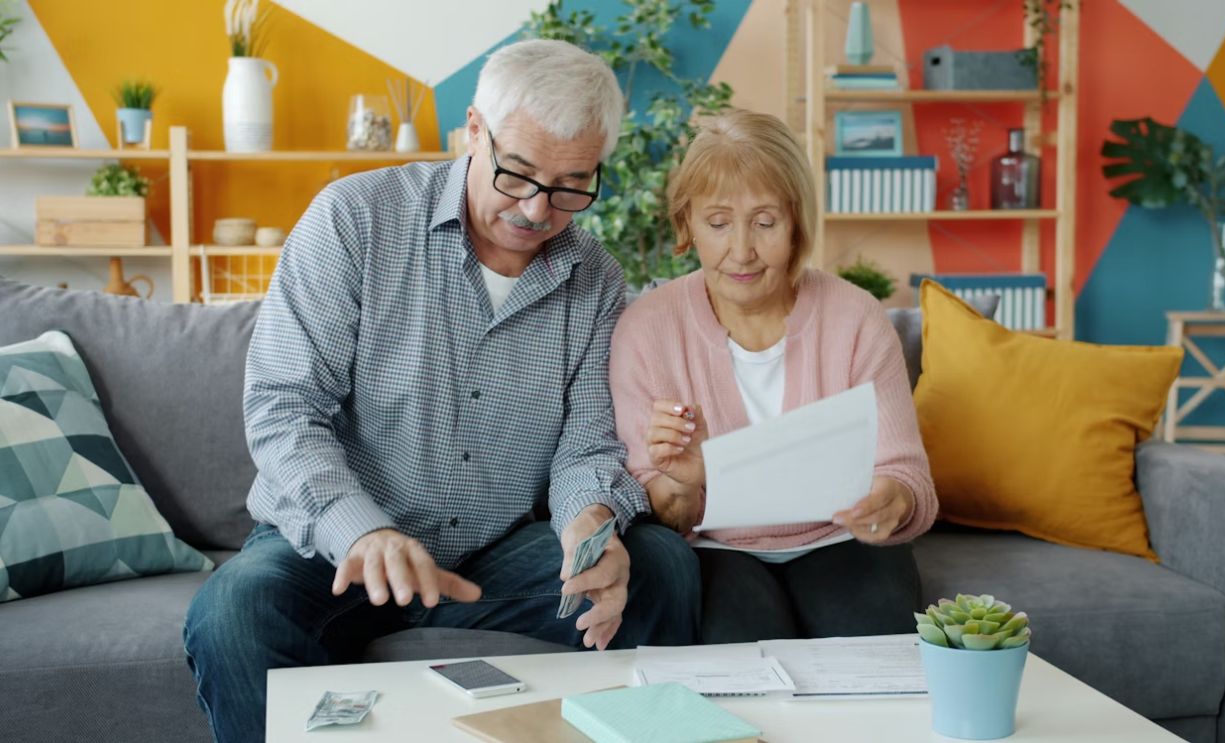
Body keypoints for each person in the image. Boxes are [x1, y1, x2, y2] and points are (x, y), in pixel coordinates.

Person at [184, 39, 700, 742]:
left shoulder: (595, 278)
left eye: (571, 183)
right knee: (233, 612)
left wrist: (589, 523)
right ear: (474, 131)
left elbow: (587, 442)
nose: (537, 209)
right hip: (335, 551)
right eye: (516, 173)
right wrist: (362, 529)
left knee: (658, 568)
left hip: (493, 551)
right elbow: (284, 407)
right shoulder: (354, 220)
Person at [608, 109, 937, 643]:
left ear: (797, 223)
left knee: (874, 662)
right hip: (716, 547)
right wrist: (686, 483)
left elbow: (907, 475)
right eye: (718, 223)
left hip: (839, 540)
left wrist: (891, 499)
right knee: (744, 664)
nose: (742, 251)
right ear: (686, 223)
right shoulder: (647, 329)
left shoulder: (855, 316)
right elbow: (662, 515)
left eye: (765, 222)